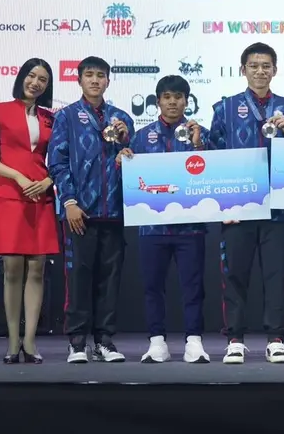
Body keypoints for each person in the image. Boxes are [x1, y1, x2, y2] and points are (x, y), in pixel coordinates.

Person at [208, 42, 284, 364]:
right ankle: (235, 339)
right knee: (235, 274)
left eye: (266, 66)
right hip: (238, 208)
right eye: (253, 66)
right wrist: (222, 206)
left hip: (278, 207)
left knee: (276, 276)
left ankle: (275, 339)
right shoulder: (225, 108)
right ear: (243, 70)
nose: (260, 71)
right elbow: (213, 157)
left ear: (275, 70)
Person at [117, 75, 211, 363]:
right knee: (152, 287)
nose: (173, 102)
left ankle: (194, 341)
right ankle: (157, 341)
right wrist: (122, 162)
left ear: (187, 101)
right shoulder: (141, 137)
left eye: (178, 97)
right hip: (152, 227)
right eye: (167, 97)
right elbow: (130, 182)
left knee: (193, 288)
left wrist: (199, 147)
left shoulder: (201, 134)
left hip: (190, 227)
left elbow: (215, 176)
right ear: (158, 101)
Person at [48, 56, 135, 364]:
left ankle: (104, 341)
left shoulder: (122, 119)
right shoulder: (66, 117)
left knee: (109, 280)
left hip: (115, 212)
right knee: (78, 279)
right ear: (79, 80)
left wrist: (127, 147)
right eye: (89, 75)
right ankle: (76, 342)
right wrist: (69, 202)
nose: (95, 80)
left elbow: (136, 162)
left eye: (101, 75)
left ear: (108, 81)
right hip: (80, 213)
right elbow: (57, 162)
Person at [0, 58, 58, 364]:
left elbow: (62, 158)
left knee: (37, 269)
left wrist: (48, 181)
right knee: (12, 270)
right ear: (21, 77)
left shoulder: (51, 118)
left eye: (42, 79)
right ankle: (12, 340)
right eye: (31, 76)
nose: (35, 83)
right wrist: (18, 177)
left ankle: (30, 341)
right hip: (10, 196)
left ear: (47, 86)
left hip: (42, 197)